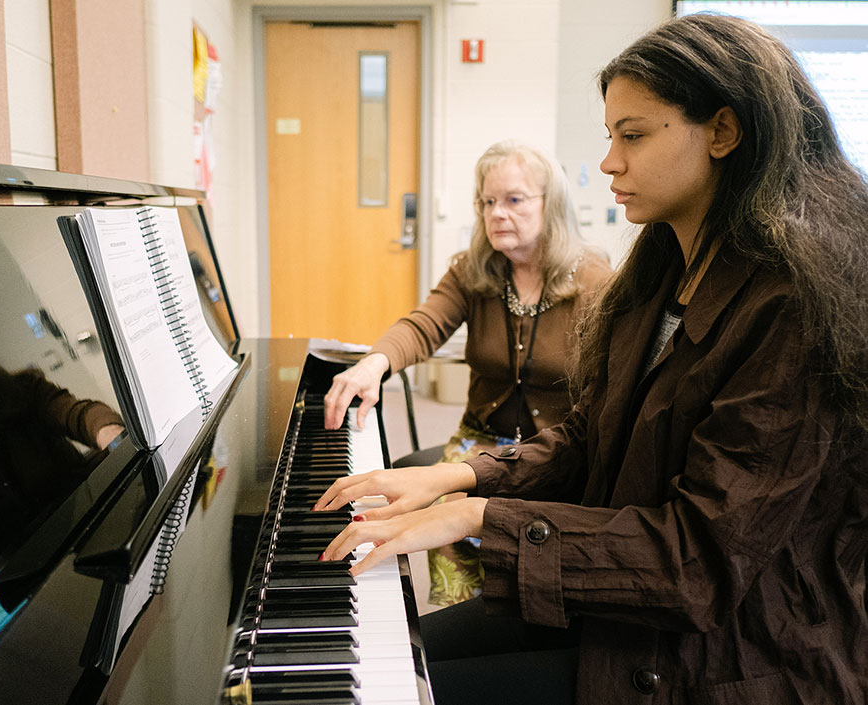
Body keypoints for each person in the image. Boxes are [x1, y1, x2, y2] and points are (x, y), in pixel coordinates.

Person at [315, 13, 868, 705]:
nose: (607, 161)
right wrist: (459, 476)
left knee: (398, 688)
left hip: (728, 654)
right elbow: (590, 431)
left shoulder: (791, 305)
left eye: (631, 135)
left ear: (722, 132)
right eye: (610, 136)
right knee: (399, 651)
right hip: (626, 603)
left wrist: (477, 515)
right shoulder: (661, 266)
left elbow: (695, 562)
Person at [323, 141, 611, 605]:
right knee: (443, 523)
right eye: (487, 201)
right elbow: (425, 323)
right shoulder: (473, 270)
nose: (497, 213)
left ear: (550, 204)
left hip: (554, 454)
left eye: (514, 200)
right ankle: (456, 624)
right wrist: (376, 362)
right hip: (477, 439)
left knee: (522, 563)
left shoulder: (595, 281)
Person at [0, 305, 125, 600]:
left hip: (97, 541)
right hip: (25, 596)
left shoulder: (23, 389)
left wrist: (110, 434)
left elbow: (80, 414)